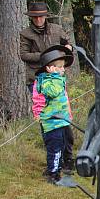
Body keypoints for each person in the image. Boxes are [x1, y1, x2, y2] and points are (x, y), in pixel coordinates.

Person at [20, 1, 75, 173]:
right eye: (35, 17)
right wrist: (46, 57)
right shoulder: (25, 33)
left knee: (64, 119)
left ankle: (68, 159)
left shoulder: (57, 29)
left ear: (46, 16)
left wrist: (67, 48)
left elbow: (68, 45)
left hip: (58, 80)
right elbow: (23, 54)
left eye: (41, 16)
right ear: (31, 18)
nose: (39, 19)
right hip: (38, 81)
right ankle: (53, 160)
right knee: (48, 122)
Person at [34, 46, 74, 184]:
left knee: (62, 146)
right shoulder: (46, 81)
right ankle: (53, 174)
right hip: (52, 123)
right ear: (50, 69)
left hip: (61, 121)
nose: (63, 70)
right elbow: (53, 92)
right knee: (55, 149)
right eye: (60, 67)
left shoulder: (56, 79)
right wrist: (54, 76)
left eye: (63, 67)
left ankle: (55, 168)